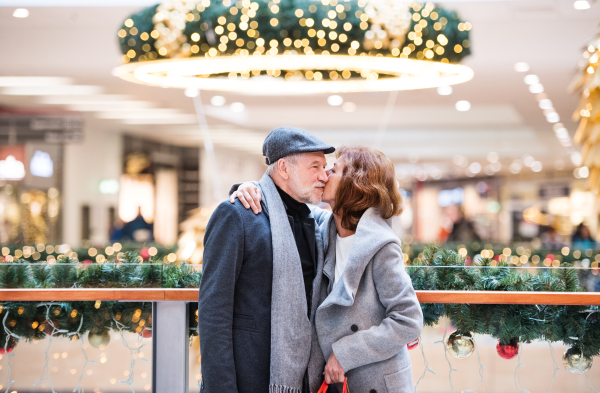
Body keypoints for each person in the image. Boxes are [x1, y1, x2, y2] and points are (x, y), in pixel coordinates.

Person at [232, 146, 423, 393]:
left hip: (377, 380)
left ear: (356, 183)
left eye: (334, 170)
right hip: (334, 381)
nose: (324, 175)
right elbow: (284, 202)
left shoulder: (381, 245)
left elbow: (408, 319)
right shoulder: (324, 229)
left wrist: (345, 353)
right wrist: (250, 187)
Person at [198, 126, 335, 393]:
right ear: (283, 168)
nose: (323, 176)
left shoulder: (313, 223)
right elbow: (214, 312)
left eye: (325, 167)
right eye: (315, 166)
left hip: (304, 379)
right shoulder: (237, 215)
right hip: (250, 379)